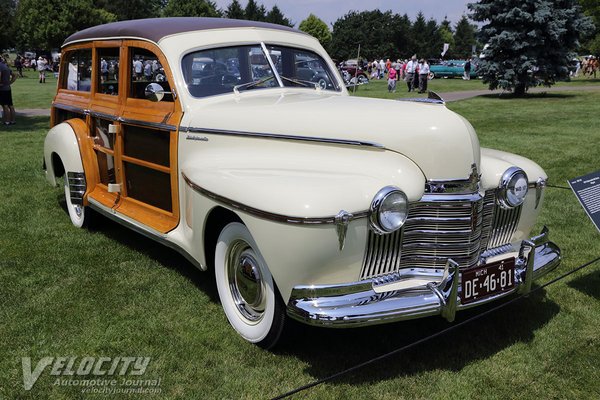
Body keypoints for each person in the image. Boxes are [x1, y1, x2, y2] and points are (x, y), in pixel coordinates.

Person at [0, 56, 17, 126]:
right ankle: (13, 120)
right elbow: (14, 75)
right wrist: (10, 82)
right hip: (8, 88)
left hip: (2, 88)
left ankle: (7, 121)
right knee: (10, 105)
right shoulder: (5, 66)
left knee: (5, 105)